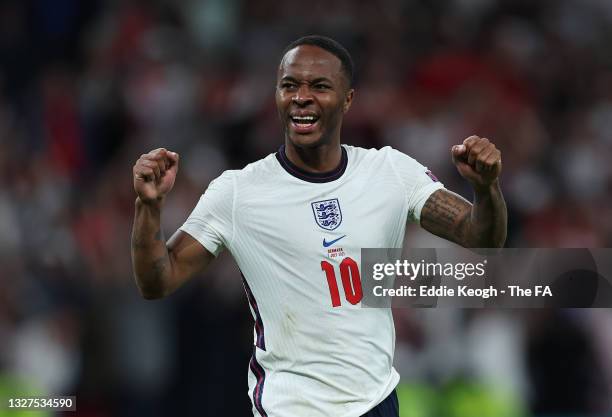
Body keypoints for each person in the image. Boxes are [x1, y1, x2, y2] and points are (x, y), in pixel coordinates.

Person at [131, 35, 507, 417]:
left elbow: (482, 236)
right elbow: (157, 280)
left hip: (376, 403)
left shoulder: (391, 171)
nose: (301, 97)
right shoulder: (238, 192)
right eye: (289, 85)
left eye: (319, 86)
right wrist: (149, 207)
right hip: (291, 409)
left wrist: (486, 188)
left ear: (348, 99)